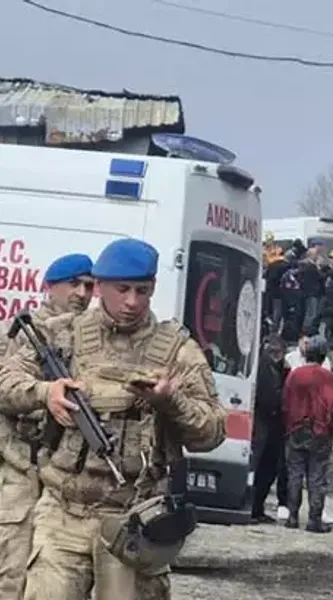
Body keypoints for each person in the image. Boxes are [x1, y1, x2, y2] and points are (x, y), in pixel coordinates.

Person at [0, 238, 226, 600]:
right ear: (100, 286)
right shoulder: (62, 334)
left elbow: (212, 432)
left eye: (142, 290)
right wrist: (45, 392)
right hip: (64, 512)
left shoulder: (177, 350)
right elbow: (5, 382)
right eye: (122, 289)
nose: (132, 301)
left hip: (136, 520)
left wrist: (171, 402)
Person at [0, 253, 94, 598]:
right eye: (74, 283)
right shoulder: (15, 335)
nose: (82, 293)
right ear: (50, 286)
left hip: (67, 475)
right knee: (12, 573)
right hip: (20, 468)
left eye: (89, 286)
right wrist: (43, 394)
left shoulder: (88, 339)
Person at [281, 336, 333, 533]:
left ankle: (292, 516)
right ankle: (314, 520)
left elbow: (285, 402)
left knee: (294, 473)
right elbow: (332, 405)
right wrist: (331, 428)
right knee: (317, 476)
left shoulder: (295, 375)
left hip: (296, 429)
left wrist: (288, 426)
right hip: (319, 431)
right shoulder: (327, 377)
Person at [251, 335, 290, 524]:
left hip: (266, 425)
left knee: (265, 468)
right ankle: (255, 508)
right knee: (265, 468)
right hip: (267, 425)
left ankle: (256, 507)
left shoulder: (267, 366)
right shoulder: (268, 369)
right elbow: (270, 398)